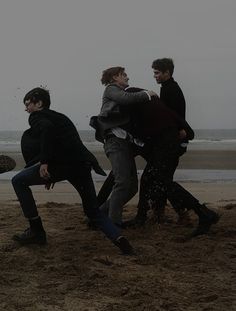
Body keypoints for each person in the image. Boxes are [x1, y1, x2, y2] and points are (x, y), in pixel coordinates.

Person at [11, 87, 133, 255]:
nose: (26, 109)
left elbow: (47, 131)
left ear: (39, 103)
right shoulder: (60, 117)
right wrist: (51, 174)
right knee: (93, 211)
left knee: (18, 181)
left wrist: (45, 163)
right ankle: (119, 239)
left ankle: (36, 231)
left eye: (28, 104)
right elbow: (65, 142)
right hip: (81, 165)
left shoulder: (38, 116)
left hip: (63, 166)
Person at [123, 87, 219, 237]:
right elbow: (170, 114)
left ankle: (204, 213)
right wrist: (187, 130)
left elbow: (139, 130)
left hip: (166, 143)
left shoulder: (132, 100)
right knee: (149, 178)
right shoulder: (151, 99)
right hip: (168, 142)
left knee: (163, 181)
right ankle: (141, 217)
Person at [90, 66, 157, 227]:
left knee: (132, 187)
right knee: (122, 183)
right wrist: (148, 94)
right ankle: (114, 224)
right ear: (114, 78)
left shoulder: (117, 92)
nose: (127, 77)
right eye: (124, 75)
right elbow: (127, 98)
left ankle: (98, 216)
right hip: (115, 143)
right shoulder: (111, 89)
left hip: (125, 143)